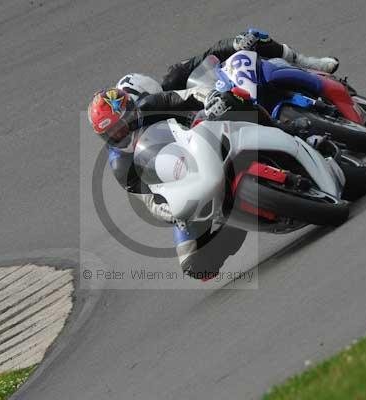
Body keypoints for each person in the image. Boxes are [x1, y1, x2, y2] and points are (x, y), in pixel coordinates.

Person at [87, 87, 317, 280]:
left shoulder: (152, 104)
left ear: (133, 110)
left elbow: (191, 94)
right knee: (195, 266)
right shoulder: (121, 167)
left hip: (201, 137)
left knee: (234, 99)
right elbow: (151, 201)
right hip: (184, 184)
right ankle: (237, 220)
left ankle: (287, 130)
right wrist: (176, 212)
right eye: (115, 133)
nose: (124, 133)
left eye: (125, 123)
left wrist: (211, 99)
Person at [162, 28, 339, 91]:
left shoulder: (171, 80)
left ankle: (303, 62)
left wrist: (235, 45)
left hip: (229, 80)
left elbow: (210, 53)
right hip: (222, 122)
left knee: (251, 37)